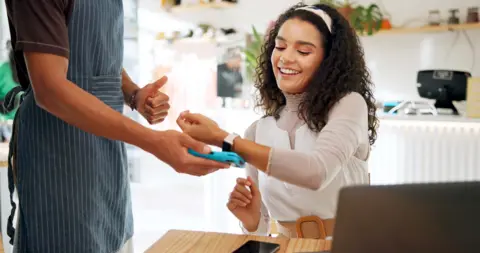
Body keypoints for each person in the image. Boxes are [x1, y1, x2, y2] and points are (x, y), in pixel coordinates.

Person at [4, 0, 228, 252]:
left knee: (111, 237)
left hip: (106, 153)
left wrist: (133, 94)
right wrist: (153, 141)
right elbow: (50, 89)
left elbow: (87, 47)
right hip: (61, 152)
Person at [176, 3, 379, 238]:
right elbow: (261, 229)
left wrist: (224, 138)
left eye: (303, 51)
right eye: (280, 46)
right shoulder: (258, 130)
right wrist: (250, 221)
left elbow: (316, 173)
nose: (286, 58)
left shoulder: (349, 105)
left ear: (329, 62)